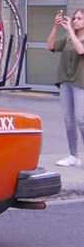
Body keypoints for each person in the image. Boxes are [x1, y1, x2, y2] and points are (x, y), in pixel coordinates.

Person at [48, 9, 84, 167]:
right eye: (74, 18)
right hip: (65, 81)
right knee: (68, 120)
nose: (75, 21)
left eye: (79, 18)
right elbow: (50, 46)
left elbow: (81, 50)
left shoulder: (75, 37)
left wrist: (70, 29)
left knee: (81, 120)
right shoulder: (68, 38)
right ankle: (73, 156)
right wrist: (55, 28)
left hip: (80, 82)